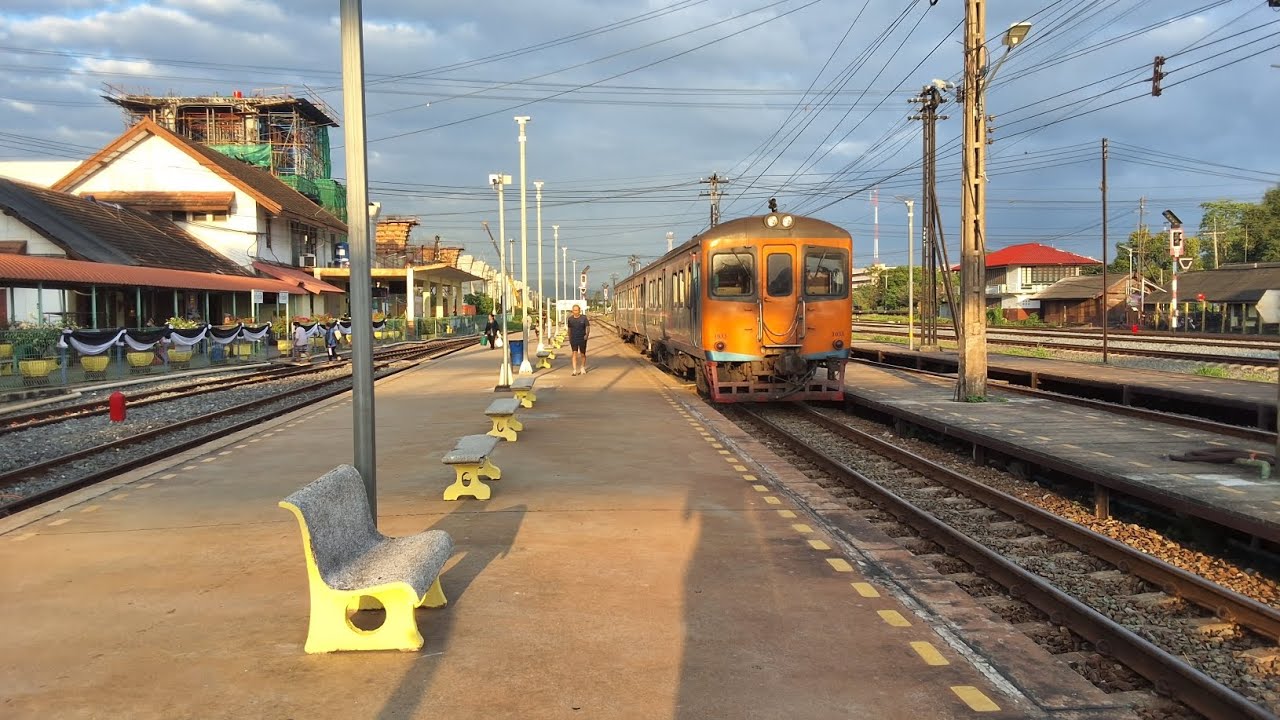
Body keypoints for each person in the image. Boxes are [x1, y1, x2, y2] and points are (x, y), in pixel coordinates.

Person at [567, 304, 590, 375]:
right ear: (572, 311)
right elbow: (569, 329)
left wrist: (587, 335)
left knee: (582, 354)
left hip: (582, 338)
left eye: (577, 310)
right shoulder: (570, 319)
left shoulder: (584, 318)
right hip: (573, 338)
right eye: (574, 310)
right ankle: (574, 370)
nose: (575, 312)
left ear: (579, 310)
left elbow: (588, 327)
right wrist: (569, 337)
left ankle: (582, 367)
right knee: (574, 353)